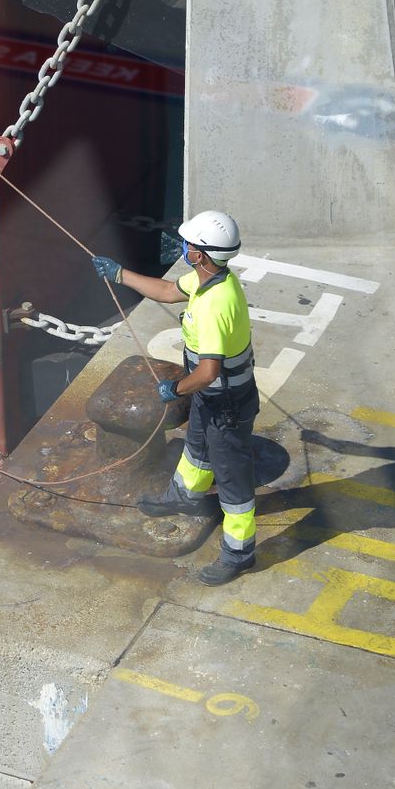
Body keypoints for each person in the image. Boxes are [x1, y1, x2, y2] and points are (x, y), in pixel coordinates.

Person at [91, 210, 260, 586]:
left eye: (189, 245)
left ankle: (239, 553)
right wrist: (120, 274)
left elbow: (209, 371)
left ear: (199, 255)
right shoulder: (209, 279)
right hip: (213, 398)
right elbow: (168, 291)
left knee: (233, 483)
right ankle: (183, 496)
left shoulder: (216, 304)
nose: (184, 248)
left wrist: (175, 390)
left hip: (225, 402)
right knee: (197, 449)